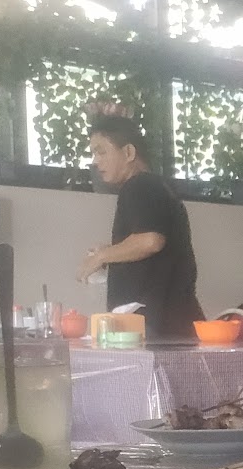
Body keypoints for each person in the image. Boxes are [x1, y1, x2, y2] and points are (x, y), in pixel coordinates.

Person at [76, 115, 202, 343]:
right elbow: (149, 242)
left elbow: (151, 241)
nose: (95, 161)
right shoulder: (156, 186)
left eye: (101, 152)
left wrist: (101, 256)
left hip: (158, 330)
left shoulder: (139, 185)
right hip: (171, 324)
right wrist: (110, 252)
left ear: (128, 153)